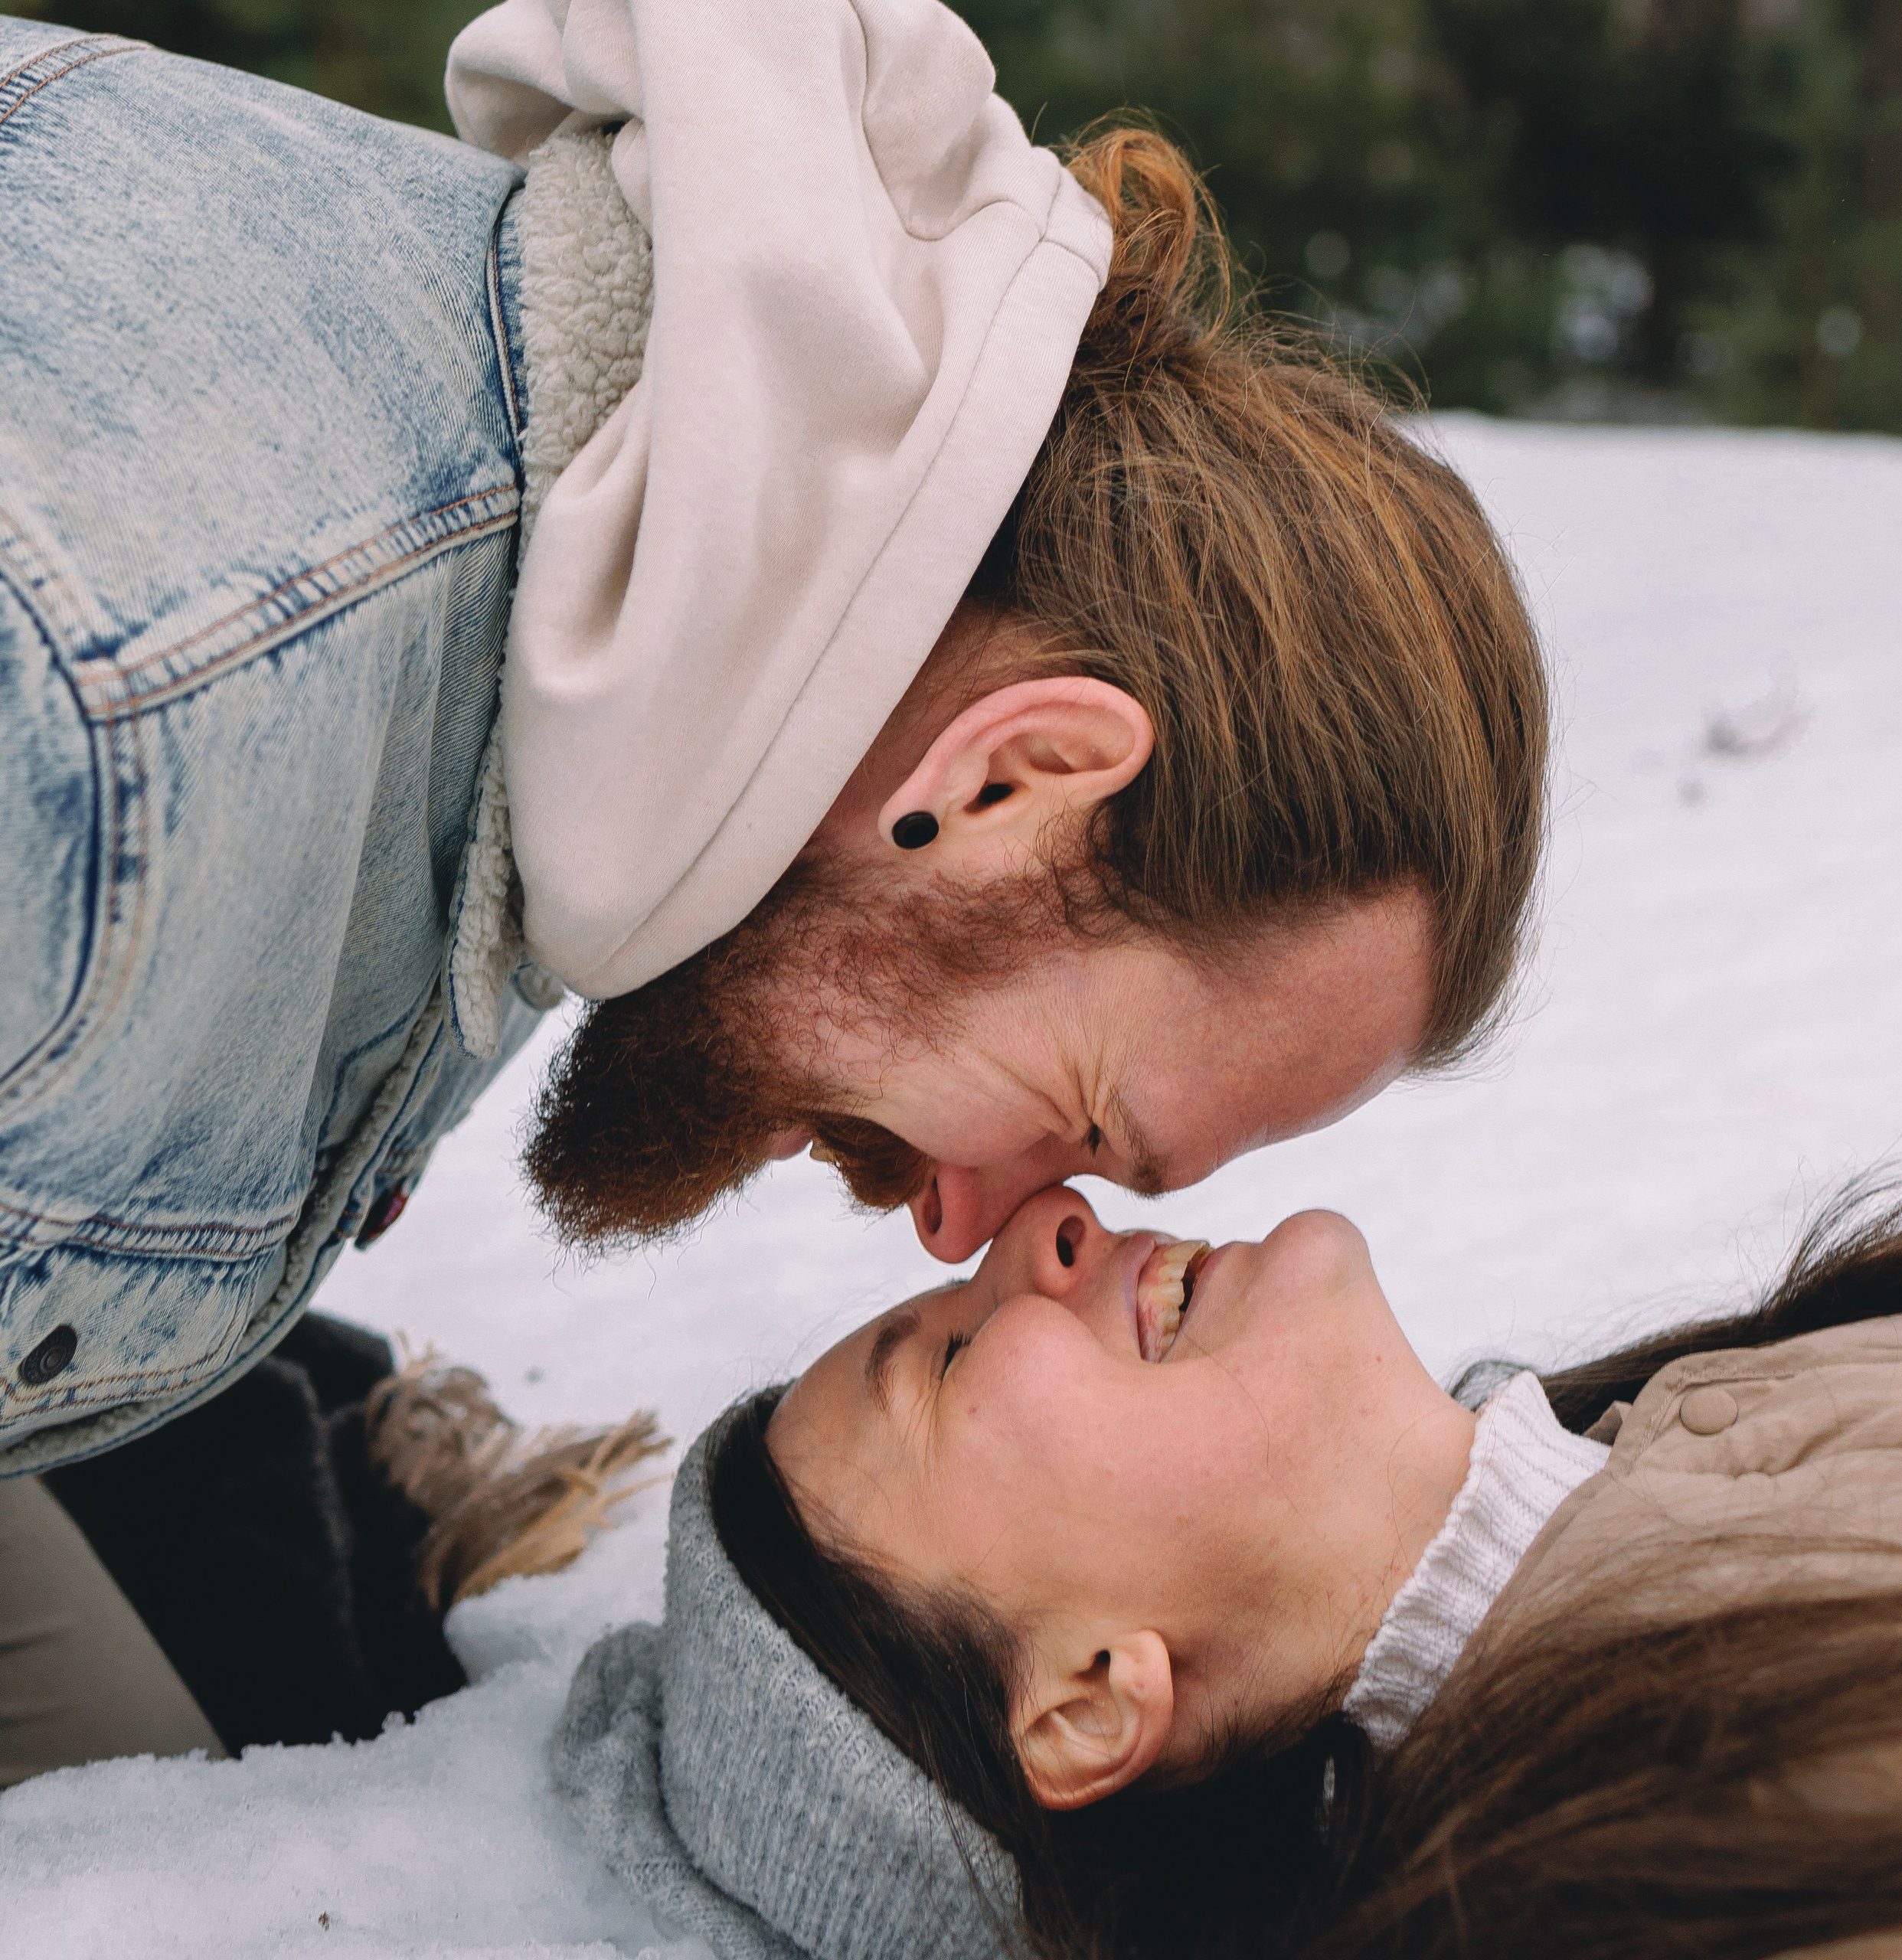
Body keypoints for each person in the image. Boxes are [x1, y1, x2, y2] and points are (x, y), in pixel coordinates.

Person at [1, 0, 1544, 1779]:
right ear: (1011, 785)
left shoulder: (656, 657)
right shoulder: (118, 730)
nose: (970, 1233)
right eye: (1089, 1119)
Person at [552, 1178, 1902, 1960]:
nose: (1047, 1221)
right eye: (956, 1354)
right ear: (1090, 1700)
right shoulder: (1728, 1879)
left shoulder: (1779, 1368)